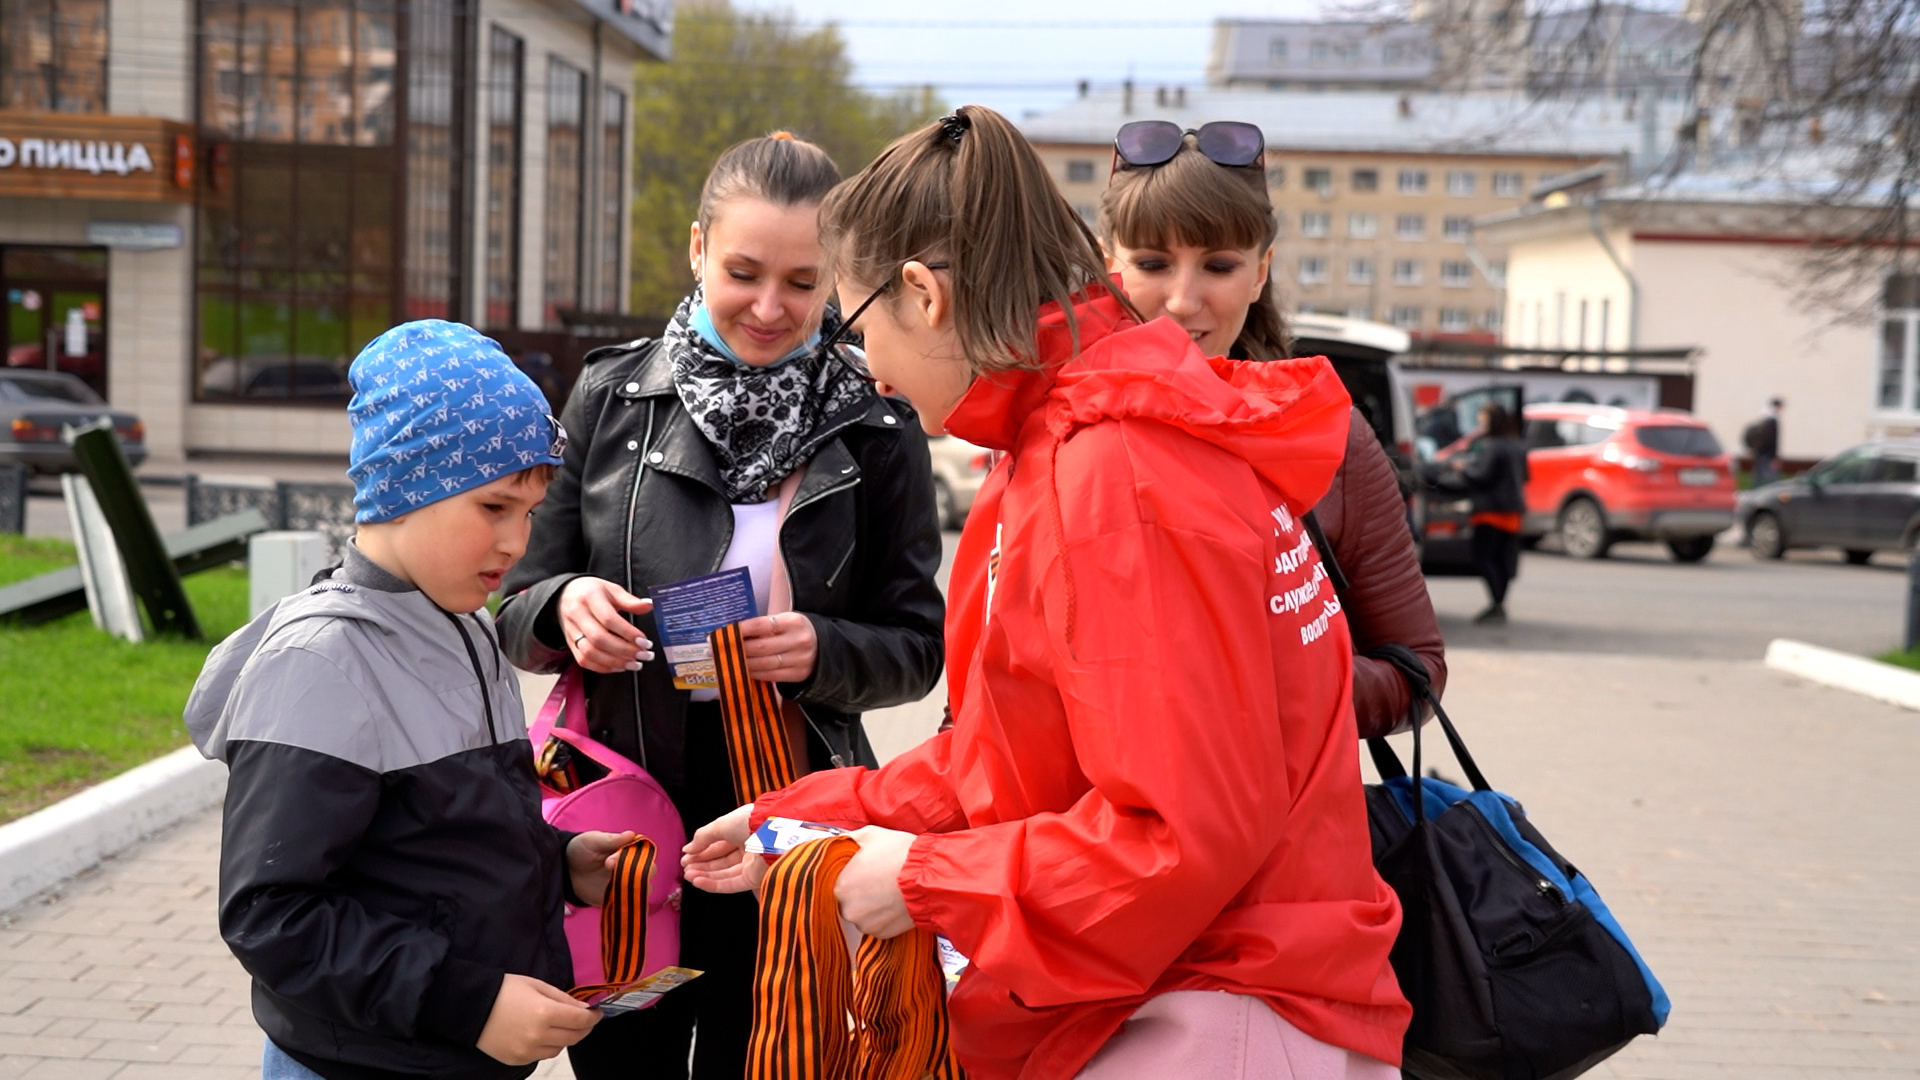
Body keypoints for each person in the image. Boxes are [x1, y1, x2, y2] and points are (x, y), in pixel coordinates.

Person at [683, 106, 1409, 1080]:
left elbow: (1177, 834)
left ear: (923, 295)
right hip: (1202, 996)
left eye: (855, 330)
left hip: (1215, 1006)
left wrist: (924, 878)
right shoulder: (1074, 431)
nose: (873, 375)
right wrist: (818, 816)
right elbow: (1019, 764)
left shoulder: (1110, 464)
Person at [495, 132, 946, 1079]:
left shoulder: (879, 420)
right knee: (627, 1057)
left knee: (769, 1056)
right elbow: (513, 599)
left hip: (789, 815)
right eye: (744, 272)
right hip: (627, 813)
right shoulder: (611, 394)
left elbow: (915, 647)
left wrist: (822, 648)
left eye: (803, 282)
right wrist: (566, 604)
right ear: (697, 247)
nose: (771, 308)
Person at [185, 320, 635, 1080]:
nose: (518, 543)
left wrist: (559, 863)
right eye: (494, 508)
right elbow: (272, 916)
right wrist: (473, 1004)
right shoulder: (321, 665)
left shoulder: (460, 626)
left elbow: (437, 835)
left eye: (528, 513)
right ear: (405, 485)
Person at [1098, 119, 1446, 737]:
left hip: (1277, 826)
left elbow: (1416, 673)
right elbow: (983, 694)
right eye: (1153, 263)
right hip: (1071, 829)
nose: (1183, 299)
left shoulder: (1329, 438)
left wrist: (1278, 674)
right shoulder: (1049, 428)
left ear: (1261, 272)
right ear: (1109, 265)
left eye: (1219, 265)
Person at [1458, 403, 1528, 624]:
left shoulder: (1492, 447)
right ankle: (1499, 603)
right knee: (1502, 559)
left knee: (1484, 557)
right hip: (1513, 511)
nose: (1481, 425)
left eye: (1483, 420)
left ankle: (1496, 603)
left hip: (1490, 511)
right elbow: (1525, 477)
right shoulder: (1517, 446)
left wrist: (1462, 469)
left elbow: (1481, 477)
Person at [1745, 397, 1783, 486]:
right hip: (1767, 455)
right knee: (1773, 479)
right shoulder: (1772, 422)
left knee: (1758, 478)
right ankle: (1775, 495)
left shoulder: (1763, 419)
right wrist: (1774, 457)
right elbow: (1772, 440)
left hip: (1759, 453)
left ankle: (1752, 495)